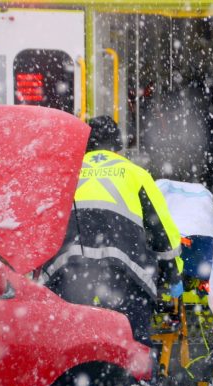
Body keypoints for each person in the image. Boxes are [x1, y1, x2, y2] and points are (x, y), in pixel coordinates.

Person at [41, 116, 184, 347]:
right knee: (131, 349)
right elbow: (162, 235)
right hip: (126, 277)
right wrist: (172, 276)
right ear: (118, 145)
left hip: (69, 276)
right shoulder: (136, 174)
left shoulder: (66, 174)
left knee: (73, 349)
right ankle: (139, 381)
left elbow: (45, 229)